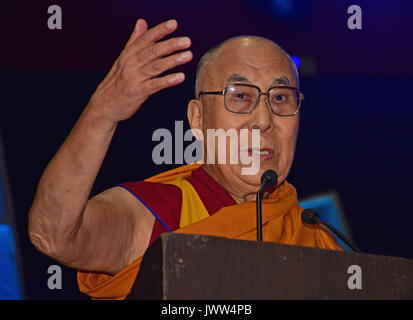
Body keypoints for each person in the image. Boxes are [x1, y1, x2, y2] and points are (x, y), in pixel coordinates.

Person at [28, 18, 342, 300]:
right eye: (241, 95)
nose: (263, 119)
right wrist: (102, 113)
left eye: (280, 97)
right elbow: (51, 234)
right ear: (198, 119)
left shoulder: (315, 236)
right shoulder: (160, 212)